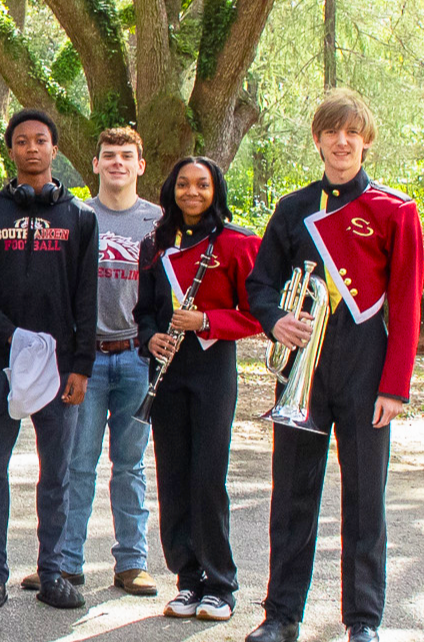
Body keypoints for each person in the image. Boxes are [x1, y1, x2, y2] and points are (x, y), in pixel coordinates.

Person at [242, 89, 424, 642]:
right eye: (331, 132)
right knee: (292, 495)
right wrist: (275, 320)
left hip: (366, 363)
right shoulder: (294, 208)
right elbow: (260, 283)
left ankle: (363, 620)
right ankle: (281, 616)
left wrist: (394, 386)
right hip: (303, 364)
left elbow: (407, 303)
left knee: (365, 498)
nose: (341, 142)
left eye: (352, 133)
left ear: (365, 140)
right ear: (318, 139)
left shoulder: (394, 210)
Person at [0, 107, 97, 611]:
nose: (32, 148)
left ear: (55, 149)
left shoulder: (80, 218)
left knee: (56, 472)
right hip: (1, 364)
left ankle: (52, 571)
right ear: (11, 151)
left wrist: (81, 365)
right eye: (21, 141)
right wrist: (15, 335)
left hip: (62, 371)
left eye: (41, 140)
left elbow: (87, 298)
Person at [138, 157, 261, 622]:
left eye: (203, 185)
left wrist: (207, 319)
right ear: (171, 190)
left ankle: (221, 584)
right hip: (167, 368)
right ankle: (187, 581)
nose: (192, 192)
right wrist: (150, 336)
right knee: (173, 476)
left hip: (212, 366)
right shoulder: (155, 243)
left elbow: (254, 314)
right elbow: (144, 311)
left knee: (208, 476)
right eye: (184, 184)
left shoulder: (236, 243)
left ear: (216, 190)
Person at [47, 128, 163, 597]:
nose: (117, 162)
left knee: (130, 465)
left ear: (140, 165)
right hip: (87, 359)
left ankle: (132, 562)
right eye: (108, 155)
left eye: (127, 155)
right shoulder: (76, 216)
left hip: (137, 355)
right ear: (93, 164)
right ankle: (68, 562)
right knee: (78, 464)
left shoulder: (158, 220)